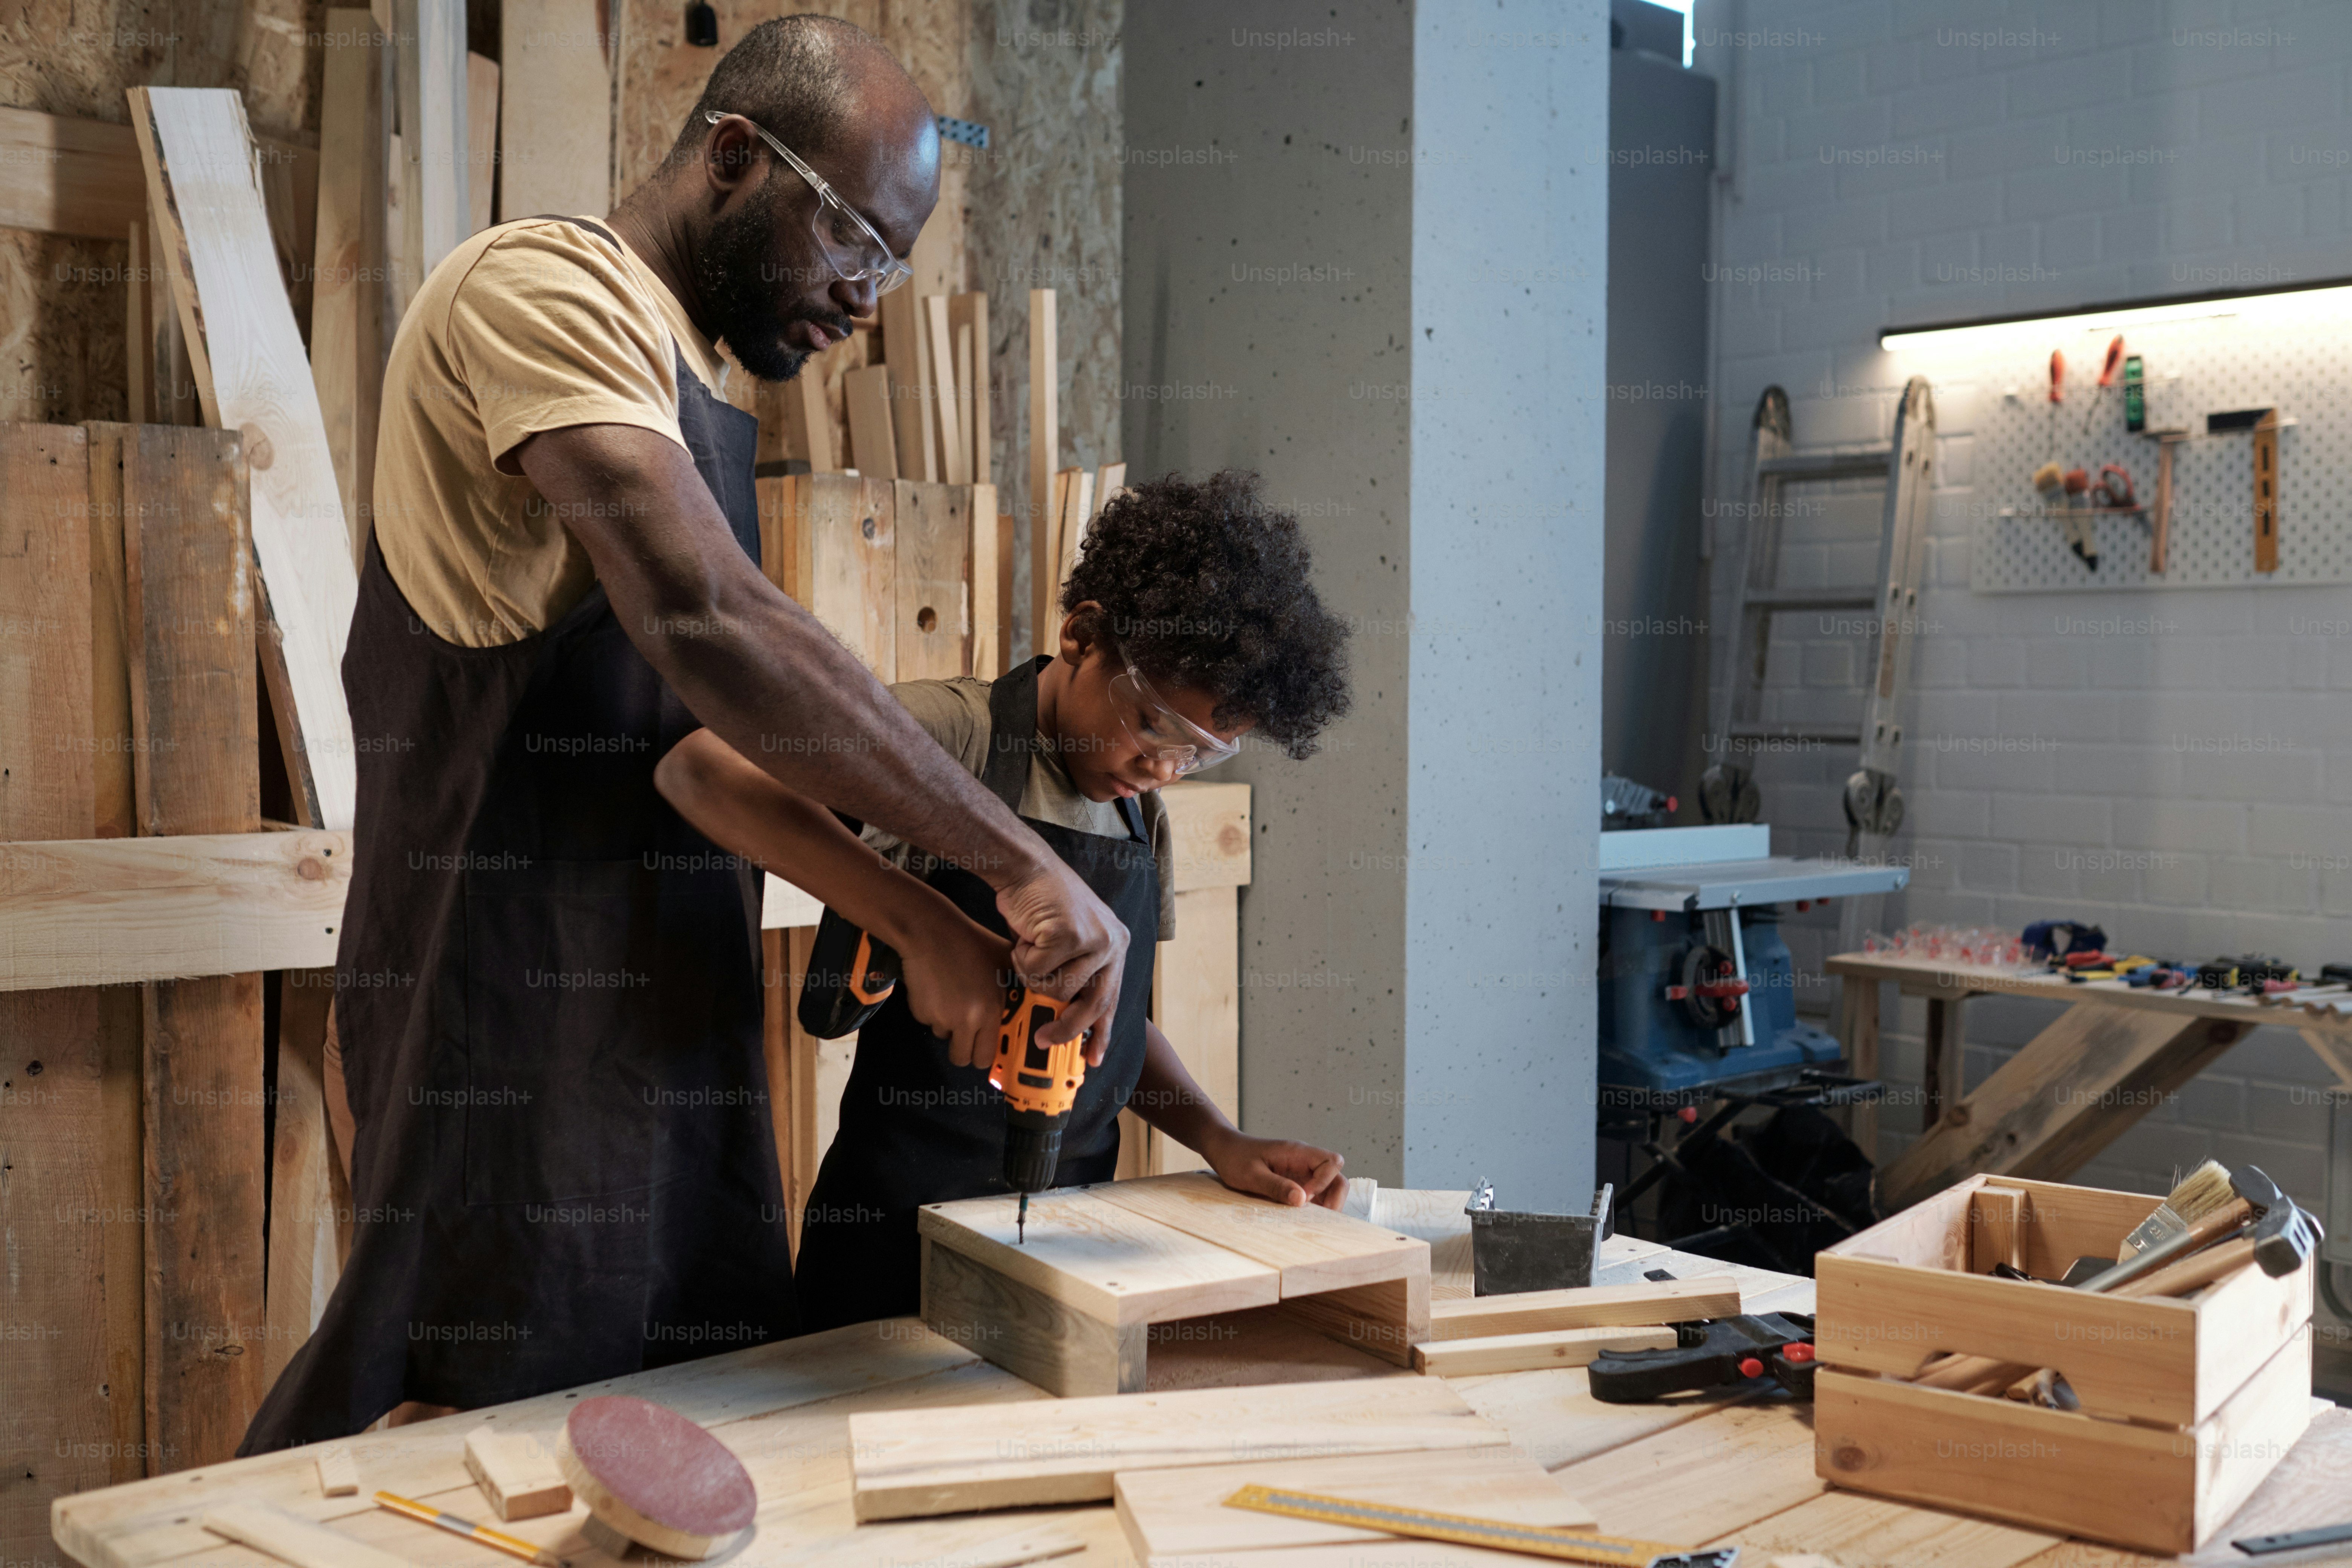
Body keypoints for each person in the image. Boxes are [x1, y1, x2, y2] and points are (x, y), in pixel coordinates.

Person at [241, 16, 1127, 1450]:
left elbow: (689, 762)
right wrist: (1019, 865)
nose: (869, 299)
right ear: (732, 156)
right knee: (475, 1441)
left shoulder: (687, 373)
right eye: (856, 243)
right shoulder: (546, 292)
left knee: (680, 1419)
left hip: (661, 1003)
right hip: (506, 1005)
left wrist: (912, 915)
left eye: (895, 264)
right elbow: (709, 622)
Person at [656, 471, 1355, 1329]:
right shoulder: (955, 735)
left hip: (1064, 1239)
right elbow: (701, 769)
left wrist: (1219, 1140)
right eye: (1153, 724)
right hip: (891, 1241)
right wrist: (923, 927)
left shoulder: (1143, 816)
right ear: (1082, 636)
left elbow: (1118, 1023)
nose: (1164, 766)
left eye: (1201, 752)